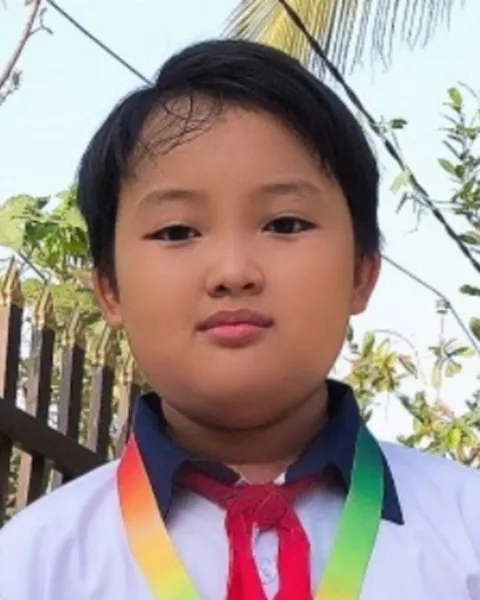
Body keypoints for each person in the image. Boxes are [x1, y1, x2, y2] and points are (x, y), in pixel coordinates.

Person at [0, 39, 479, 600]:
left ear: (361, 273)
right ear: (110, 289)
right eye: (177, 231)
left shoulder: (466, 534)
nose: (232, 272)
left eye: (285, 224)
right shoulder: (32, 566)